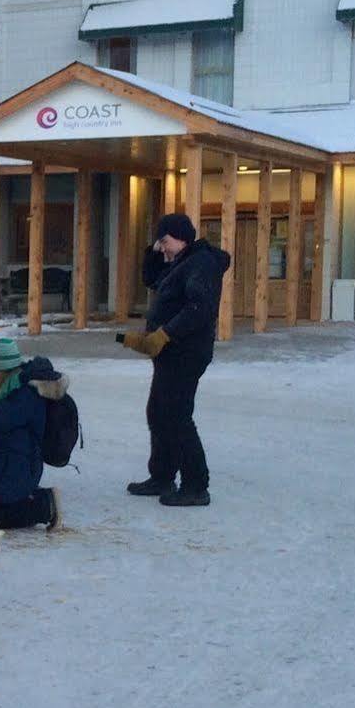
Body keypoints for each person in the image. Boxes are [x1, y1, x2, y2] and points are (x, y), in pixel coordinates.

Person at [122, 213, 232, 507]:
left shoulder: (202, 263)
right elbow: (151, 279)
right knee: (158, 412)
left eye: (165, 241)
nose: (163, 247)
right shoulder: (182, 262)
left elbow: (200, 308)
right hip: (170, 353)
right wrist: (155, 250)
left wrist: (165, 334)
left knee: (176, 416)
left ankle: (196, 485)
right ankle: (162, 476)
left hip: (186, 352)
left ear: (181, 237)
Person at [0, 338, 59, 530]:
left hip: (20, 465)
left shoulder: (26, 394)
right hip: (7, 462)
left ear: (3, 370)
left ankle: (46, 505)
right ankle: (28, 500)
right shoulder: (13, 386)